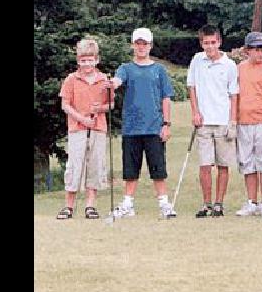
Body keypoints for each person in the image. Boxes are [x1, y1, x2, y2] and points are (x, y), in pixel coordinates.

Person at [109, 27, 177, 218]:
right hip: (131, 127)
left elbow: (166, 98)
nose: (141, 47)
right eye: (138, 43)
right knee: (131, 168)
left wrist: (166, 124)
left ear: (150, 46)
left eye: (144, 44)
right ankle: (128, 204)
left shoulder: (159, 70)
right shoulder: (126, 68)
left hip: (154, 126)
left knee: (158, 167)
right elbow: (118, 80)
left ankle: (164, 204)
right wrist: (112, 83)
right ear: (133, 45)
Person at [187, 25, 239, 218]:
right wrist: (195, 112)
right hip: (203, 121)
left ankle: (219, 204)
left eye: (213, 43)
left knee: (223, 165)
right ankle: (206, 203)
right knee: (205, 165)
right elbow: (191, 87)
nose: (209, 47)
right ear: (201, 43)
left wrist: (233, 121)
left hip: (223, 120)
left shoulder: (229, 65)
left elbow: (234, 95)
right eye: (206, 43)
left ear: (219, 42)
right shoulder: (196, 60)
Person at [57, 38, 112, 220]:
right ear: (78, 61)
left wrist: (99, 109)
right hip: (77, 128)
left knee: (95, 165)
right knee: (75, 165)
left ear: (96, 60)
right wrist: (81, 119)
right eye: (83, 60)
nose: (87, 64)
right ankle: (69, 206)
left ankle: (90, 206)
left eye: (90, 60)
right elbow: (65, 105)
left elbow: (110, 104)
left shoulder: (104, 80)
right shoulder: (72, 79)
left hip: (98, 128)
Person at [234, 31, 262, 218]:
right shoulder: (239, 69)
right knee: (247, 163)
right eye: (256, 49)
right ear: (247, 50)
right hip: (244, 120)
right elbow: (234, 95)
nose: (260, 53)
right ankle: (251, 201)